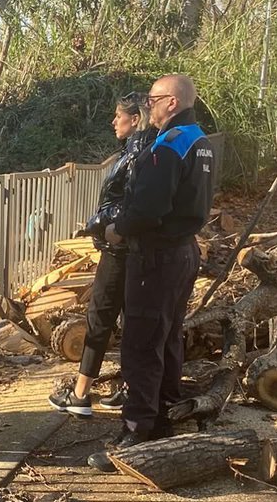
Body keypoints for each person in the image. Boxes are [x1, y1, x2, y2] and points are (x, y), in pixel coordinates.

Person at [88, 74, 215, 464]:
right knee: (167, 335)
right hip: (183, 252)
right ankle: (164, 411)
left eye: (154, 99)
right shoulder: (201, 141)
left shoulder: (169, 147)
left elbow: (148, 208)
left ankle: (137, 428)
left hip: (155, 257)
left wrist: (117, 229)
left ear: (172, 103)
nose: (149, 106)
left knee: (141, 342)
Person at [48, 93, 154, 416]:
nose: (113, 122)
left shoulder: (138, 153)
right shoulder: (146, 148)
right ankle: (130, 386)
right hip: (131, 248)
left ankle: (80, 395)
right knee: (130, 317)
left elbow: (130, 204)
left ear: (134, 119)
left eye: (118, 116)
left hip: (119, 248)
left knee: (100, 316)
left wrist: (98, 223)